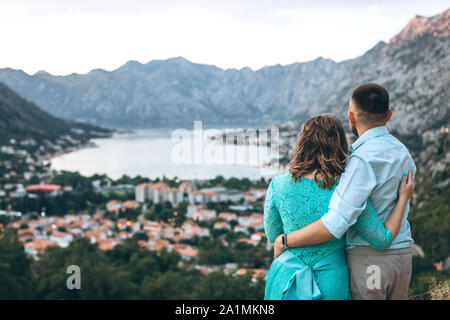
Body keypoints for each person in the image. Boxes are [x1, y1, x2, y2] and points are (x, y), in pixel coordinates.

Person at [272, 83, 416, 300]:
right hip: (402, 256)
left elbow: (336, 223)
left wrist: (285, 240)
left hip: (370, 259)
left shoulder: (359, 160)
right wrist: (404, 200)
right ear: (389, 115)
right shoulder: (403, 152)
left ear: (351, 117)